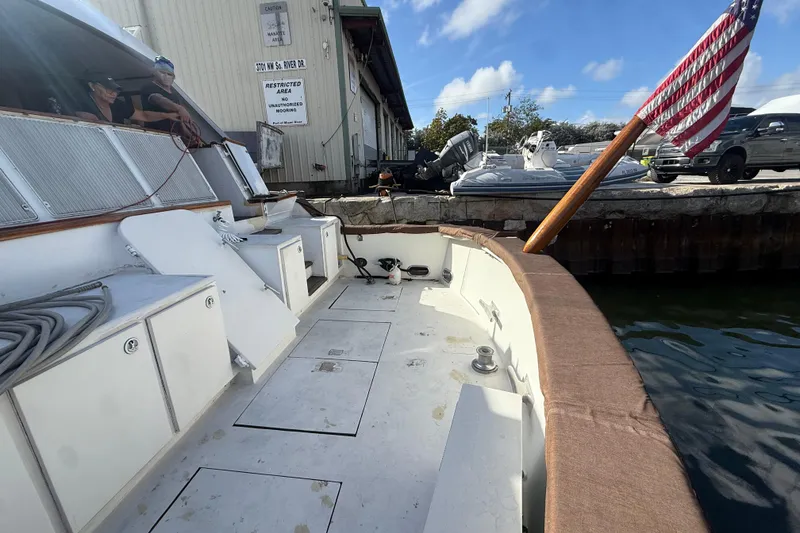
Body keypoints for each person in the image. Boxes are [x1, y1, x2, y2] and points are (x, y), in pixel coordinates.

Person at [74, 76, 179, 125]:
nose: (114, 94)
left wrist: (167, 116)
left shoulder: (117, 105)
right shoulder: (79, 102)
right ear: (92, 86)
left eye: (116, 90)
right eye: (108, 89)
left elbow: (143, 116)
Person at [140, 56, 191, 133]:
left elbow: (181, 118)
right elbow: (158, 99)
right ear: (154, 72)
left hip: (175, 137)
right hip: (157, 134)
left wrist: (188, 133)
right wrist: (179, 108)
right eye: (162, 72)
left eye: (169, 74)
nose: (166, 76)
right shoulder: (149, 87)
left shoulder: (175, 95)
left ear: (173, 78)